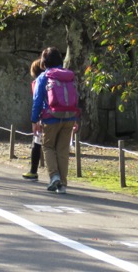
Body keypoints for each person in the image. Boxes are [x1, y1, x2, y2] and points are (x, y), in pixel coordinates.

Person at [31, 46, 78, 194]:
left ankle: (54, 176)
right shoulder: (69, 75)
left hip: (51, 117)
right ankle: (62, 185)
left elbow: (37, 100)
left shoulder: (43, 77)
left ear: (44, 63)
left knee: (48, 146)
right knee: (63, 150)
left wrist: (34, 120)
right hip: (69, 116)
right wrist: (76, 118)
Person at [22, 58, 44, 180]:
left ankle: (33, 171)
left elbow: (37, 102)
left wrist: (34, 120)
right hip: (56, 116)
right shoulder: (53, 80)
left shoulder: (38, 82)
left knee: (37, 143)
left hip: (42, 117)